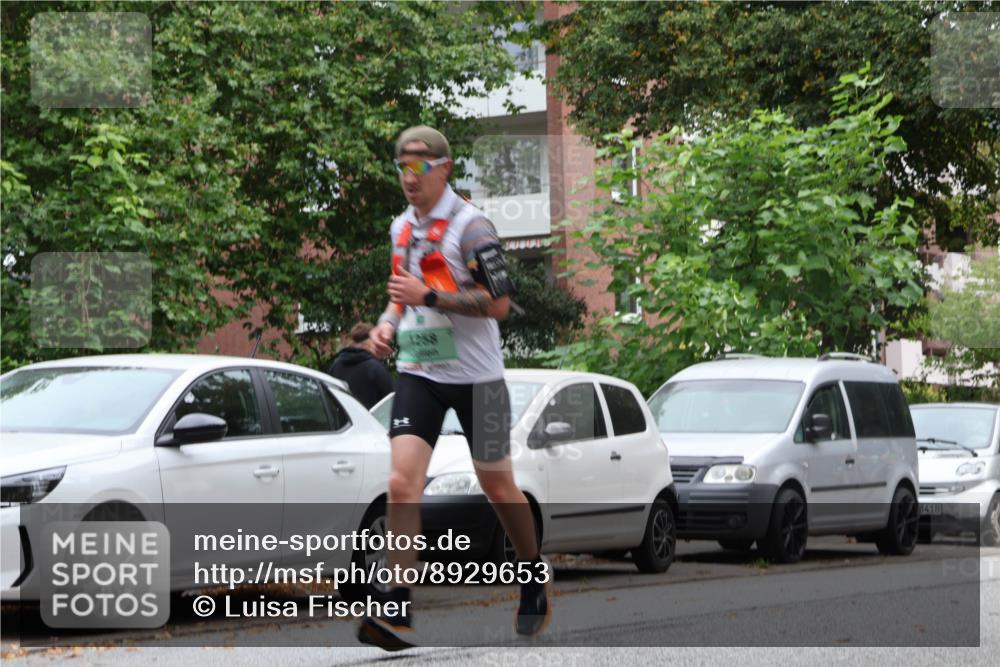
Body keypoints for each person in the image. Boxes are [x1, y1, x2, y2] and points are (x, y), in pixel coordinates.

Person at [357, 126, 550, 651]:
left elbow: (499, 305)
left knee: (498, 487)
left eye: (417, 166)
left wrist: (432, 298)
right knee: (401, 483)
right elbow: (401, 293)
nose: (407, 177)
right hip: (421, 372)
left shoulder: (473, 227)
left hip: (480, 379)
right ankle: (397, 606)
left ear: (444, 167)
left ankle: (531, 575)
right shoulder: (402, 227)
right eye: (400, 165)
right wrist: (387, 325)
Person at [327, 322, 394, 410]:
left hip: (344, 423)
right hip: (371, 422)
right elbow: (391, 403)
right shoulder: (376, 369)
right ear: (369, 342)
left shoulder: (335, 366)